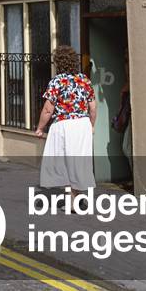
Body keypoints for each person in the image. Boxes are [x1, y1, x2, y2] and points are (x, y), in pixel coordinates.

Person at [35, 45, 97, 193]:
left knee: (64, 163)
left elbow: (48, 109)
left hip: (64, 124)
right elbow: (93, 107)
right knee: (80, 162)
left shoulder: (57, 81)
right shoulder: (84, 80)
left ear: (58, 63)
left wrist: (40, 128)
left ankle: (72, 199)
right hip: (82, 125)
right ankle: (77, 196)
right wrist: (91, 125)